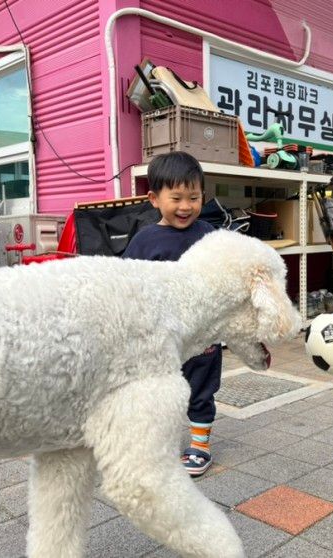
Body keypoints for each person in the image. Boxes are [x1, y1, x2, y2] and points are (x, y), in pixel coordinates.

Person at [123, 151, 221, 477]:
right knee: (159, 390)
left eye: (194, 197)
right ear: (153, 198)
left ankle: (199, 447)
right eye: (176, 197)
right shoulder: (144, 241)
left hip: (203, 334)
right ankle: (159, 445)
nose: (185, 206)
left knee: (201, 389)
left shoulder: (210, 236)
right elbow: (129, 284)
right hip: (161, 336)